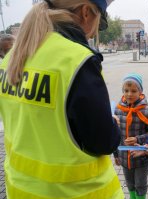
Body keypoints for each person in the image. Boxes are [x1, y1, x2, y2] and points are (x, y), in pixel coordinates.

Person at [0, 0, 124, 198]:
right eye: (98, 24)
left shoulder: (11, 59)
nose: (93, 33)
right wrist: (113, 126)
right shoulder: (76, 60)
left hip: (20, 190)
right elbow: (103, 142)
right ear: (85, 12)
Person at [113, 73, 148, 199]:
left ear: (140, 91)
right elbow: (115, 134)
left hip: (141, 157)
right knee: (130, 184)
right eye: (126, 91)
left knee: (140, 185)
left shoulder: (147, 111)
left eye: (133, 91)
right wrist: (115, 154)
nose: (129, 94)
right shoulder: (118, 110)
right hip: (124, 157)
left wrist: (138, 139)